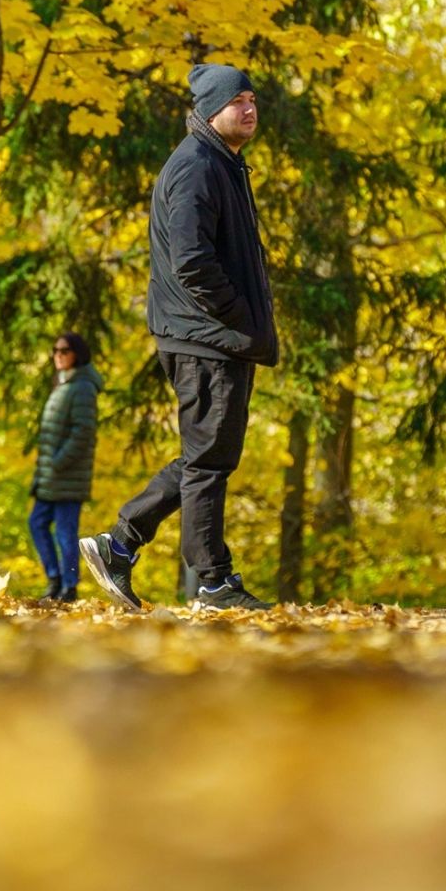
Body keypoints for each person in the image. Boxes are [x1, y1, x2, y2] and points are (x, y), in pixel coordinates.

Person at [79, 63, 277, 611]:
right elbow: (191, 262)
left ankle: (119, 544)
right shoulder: (195, 166)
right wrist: (238, 317)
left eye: (252, 98)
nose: (249, 108)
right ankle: (213, 582)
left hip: (215, 338)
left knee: (206, 456)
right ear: (211, 109)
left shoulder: (221, 164)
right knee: (210, 460)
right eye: (236, 100)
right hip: (207, 339)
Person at [30, 332, 101, 602]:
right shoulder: (63, 383)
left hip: (67, 475)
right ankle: (54, 579)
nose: (58, 354)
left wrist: (59, 461)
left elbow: (84, 432)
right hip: (51, 476)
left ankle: (69, 587)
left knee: (65, 532)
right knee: (37, 523)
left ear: (77, 354)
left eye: (65, 350)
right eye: (55, 349)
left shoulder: (82, 387)